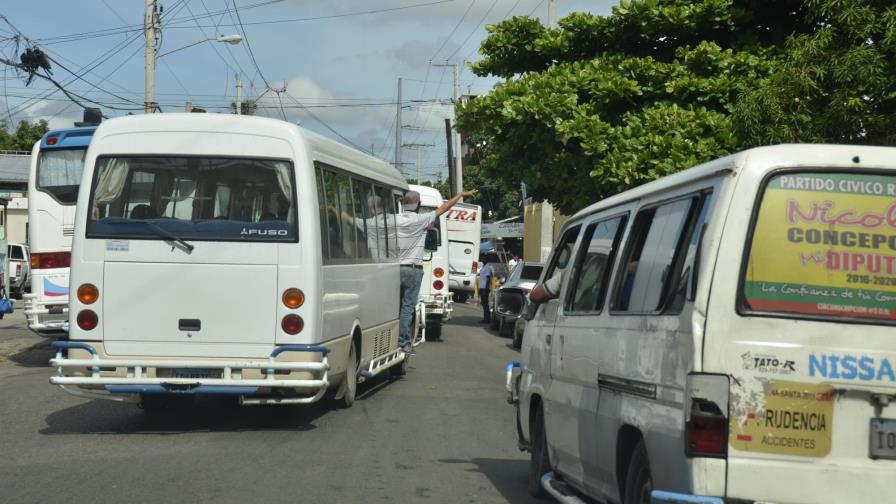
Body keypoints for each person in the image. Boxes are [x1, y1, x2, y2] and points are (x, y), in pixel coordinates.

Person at [397, 189, 476, 352]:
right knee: (407, 307)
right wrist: (459, 195)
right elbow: (444, 208)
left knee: (395, 306)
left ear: (403, 204)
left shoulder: (393, 220)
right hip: (413, 269)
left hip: (394, 270)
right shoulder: (422, 219)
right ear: (418, 205)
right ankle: (403, 342)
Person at [478, 254, 496, 323]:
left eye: (484, 258)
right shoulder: (483, 266)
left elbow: (488, 278)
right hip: (482, 287)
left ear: (487, 260)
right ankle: (486, 318)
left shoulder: (488, 267)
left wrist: (485, 288)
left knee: (485, 304)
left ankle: (487, 319)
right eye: (482, 258)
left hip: (485, 288)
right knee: (483, 303)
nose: (483, 259)